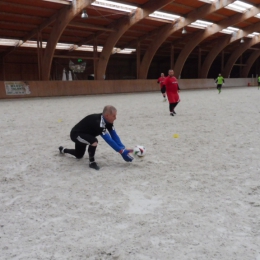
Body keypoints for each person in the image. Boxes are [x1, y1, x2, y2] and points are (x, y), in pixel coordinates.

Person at [59, 105, 133, 170]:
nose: (115, 118)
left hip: (86, 136)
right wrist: (121, 152)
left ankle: (63, 150)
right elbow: (108, 139)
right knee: (94, 141)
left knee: (79, 155)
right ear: (107, 116)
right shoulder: (99, 122)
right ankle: (92, 162)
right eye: (114, 116)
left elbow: (114, 135)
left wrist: (123, 148)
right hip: (76, 135)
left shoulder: (108, 121)